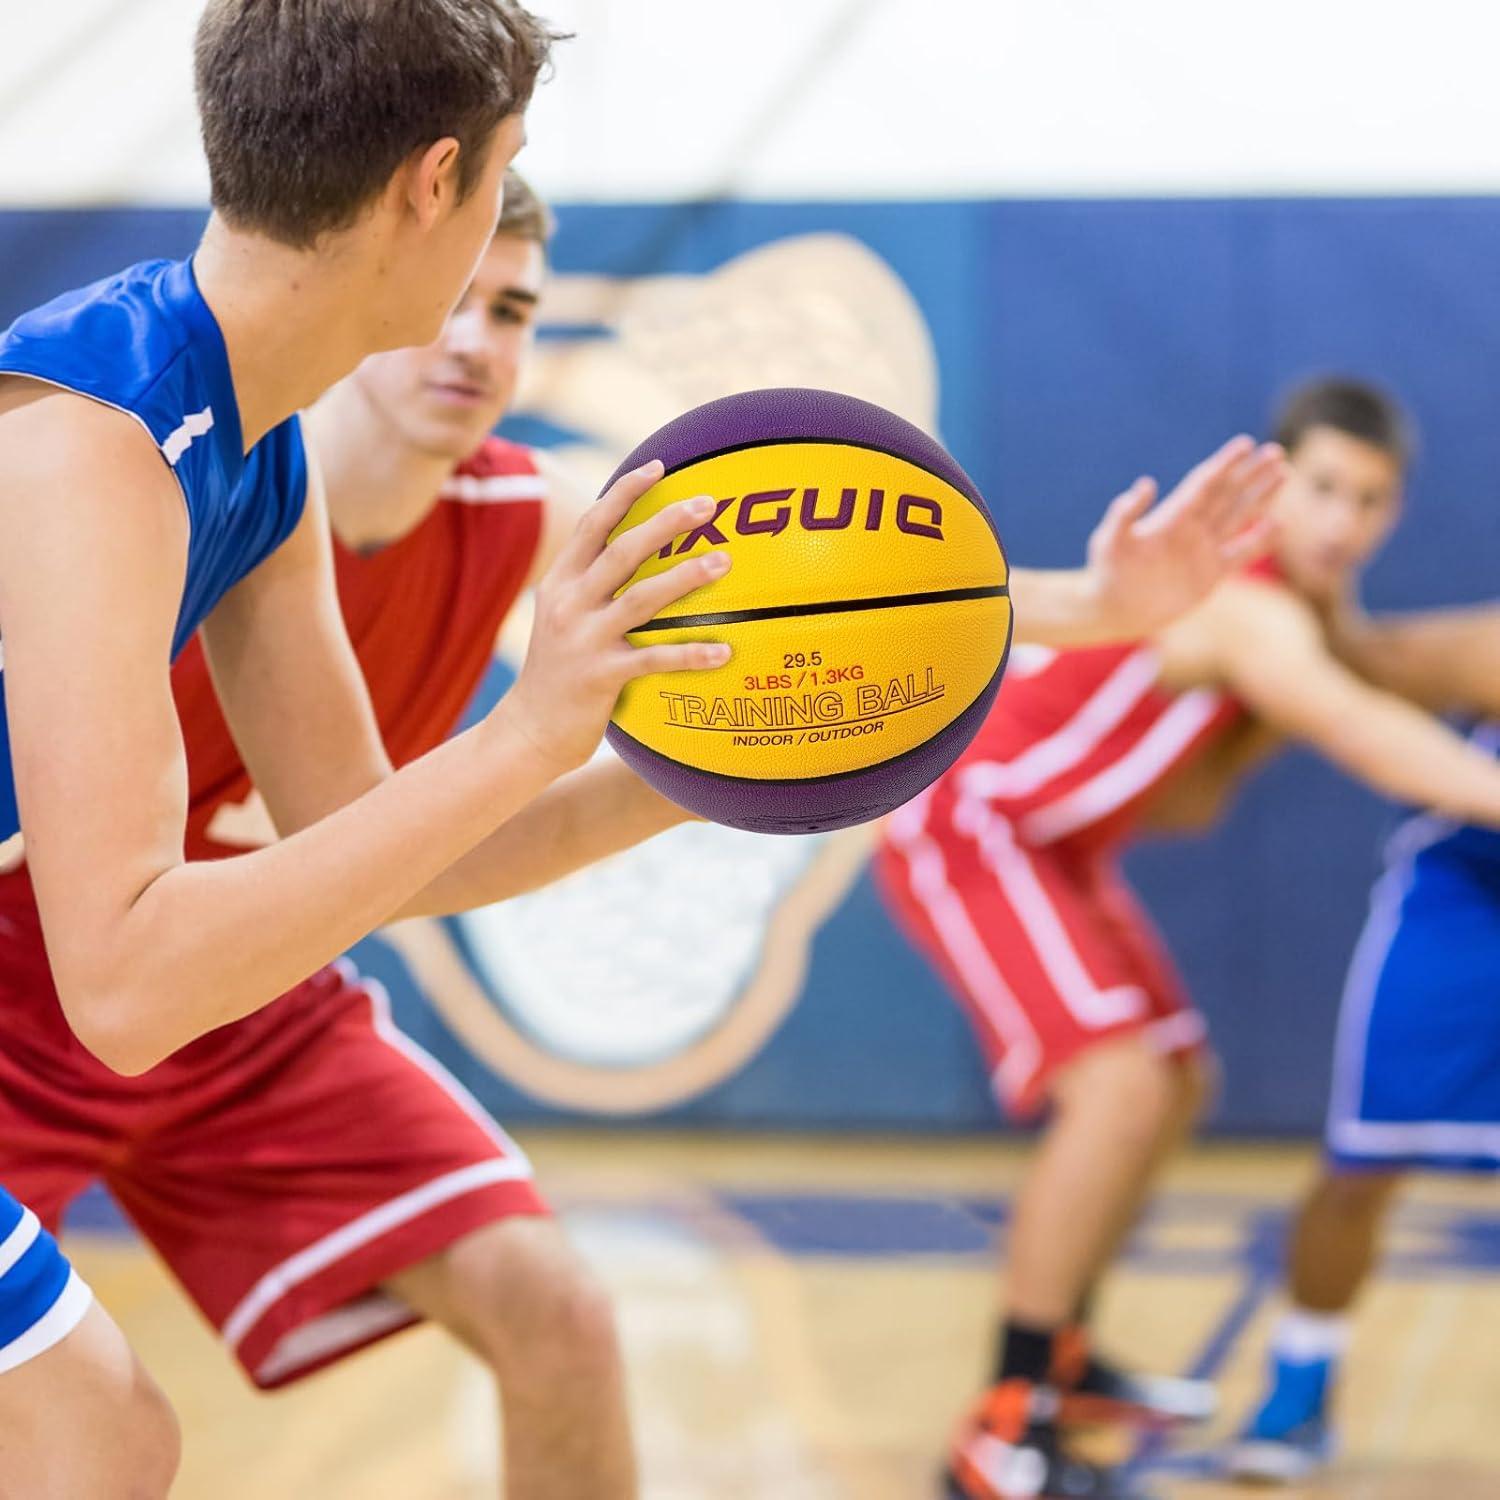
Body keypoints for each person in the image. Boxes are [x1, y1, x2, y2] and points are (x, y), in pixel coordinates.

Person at [0, 5, 746, 1494]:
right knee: (94, 1438)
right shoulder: (90, 437)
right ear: (435, 182)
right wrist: (530, 730)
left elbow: (386, 845)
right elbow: (135, 984)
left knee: (97, 1441)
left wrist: (710, 769)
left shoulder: (249, 442)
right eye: (504, 177)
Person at [875, 378, 1500, 1500]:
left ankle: (1063, 1359)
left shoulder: (1282, 623)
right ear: (1271, 486)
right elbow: (1371, 736)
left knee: (1175, 1079)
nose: (1341, 522)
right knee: (1117, 1089)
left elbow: (1187, 803)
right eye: (1320, 489)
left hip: (1055, 846)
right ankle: (1004, 1423)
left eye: (1370, 502)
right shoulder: (1242, 604)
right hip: (969, 820)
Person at [1228, 507, 1500, 1479]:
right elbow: (1366, 658)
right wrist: (1327, 584)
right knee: (1360, 1168)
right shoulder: (1490, 648)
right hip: (1469, 911)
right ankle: (1297, 1388)